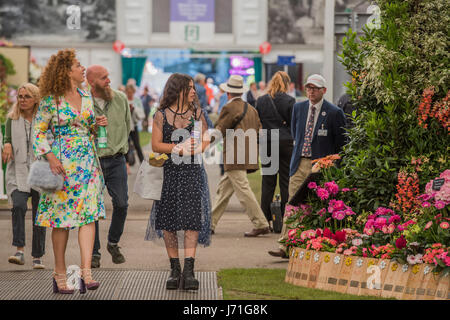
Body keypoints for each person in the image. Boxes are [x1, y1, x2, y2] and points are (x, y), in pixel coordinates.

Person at [34, 49, 105, 293]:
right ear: (66, 71)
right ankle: (60, 273)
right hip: (62, 165)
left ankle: (86, 272)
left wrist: (95, 125)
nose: (82, 68)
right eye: (77, 65)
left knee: (89, 216)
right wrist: (51, 158)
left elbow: (86, 127)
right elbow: (38, 133)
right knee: (61, 222)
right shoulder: (50, 100)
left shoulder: (86, 96)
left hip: (87, 163)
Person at [268, 74, 347, 258]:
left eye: (315, 88)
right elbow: (297, 133)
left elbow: (342, 143)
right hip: (300, 162)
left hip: (320, 165)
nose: (311, 91)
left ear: (323, 91)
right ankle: (285, 245)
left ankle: (315, 244)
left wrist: (332, 164)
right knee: (292, 203)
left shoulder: (334, 112)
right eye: (309, 88)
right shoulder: (299, 108)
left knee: (318, 205)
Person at [145, 73, 211, 291]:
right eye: (189, 88)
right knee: (168, 221)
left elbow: (205, 140)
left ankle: (189, 269)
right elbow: (156, 145)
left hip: (192, 171)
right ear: (178, 90)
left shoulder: (198, 113)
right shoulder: (161, 115)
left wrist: (197, 148)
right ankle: (174, 268)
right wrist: (177, 148)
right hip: (169, 173)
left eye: (194, 88)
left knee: (192, 219)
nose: (194, 91)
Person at [210, 75, 270, 237]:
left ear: (228, 93)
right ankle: (209, 223)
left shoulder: (229, 108)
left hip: (234, 155)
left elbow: (219, 130)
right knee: (223, 190)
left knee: (243, 190)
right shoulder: (251, 109)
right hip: (248, 153)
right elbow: (259, 130)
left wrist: (203, 144)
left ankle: (261, 223)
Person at [86, 65, 132, 269]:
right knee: (93, 208)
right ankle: (94, 253)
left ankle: (113, 243)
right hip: (92, 160)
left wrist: (123, 151)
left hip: (116, 160)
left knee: (122, 203)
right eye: (103, 78)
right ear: (92, 81)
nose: (108, 81)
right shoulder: (83, 102)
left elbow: (127, 126)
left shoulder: (120, 98)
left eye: (108, 76)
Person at [3, 83, 46, 269]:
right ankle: (19, 250)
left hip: (40, 171)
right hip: (18, 172)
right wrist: (6, 144)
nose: (22, 100)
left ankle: (37, 256)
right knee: (18, 206)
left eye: (26, 96)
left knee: (39, 215)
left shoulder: (44, 119)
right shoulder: (11, 119)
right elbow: (7, 138)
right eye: (20, 96)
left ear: (35, 99)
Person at [255, 71, 295, 230]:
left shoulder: (261, 100)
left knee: (268, 183)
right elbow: (293, 124)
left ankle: (265, 220)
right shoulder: (290, 101)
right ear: (286, 83)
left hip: (267, 142)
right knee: (285, 182)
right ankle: (286, 220)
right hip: (285, 142)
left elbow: (259, 122)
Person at [125, 84, 145, 164]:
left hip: (134, 125)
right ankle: (127, 165)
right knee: (126, 145)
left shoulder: (137, 100)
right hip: (125, 126)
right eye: (128, 92)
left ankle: (142, 162)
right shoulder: (124, 99)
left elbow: (141, 113)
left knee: (137, 144)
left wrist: (134, 109)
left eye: (131, 92)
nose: (129, 94)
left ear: (133, 92)